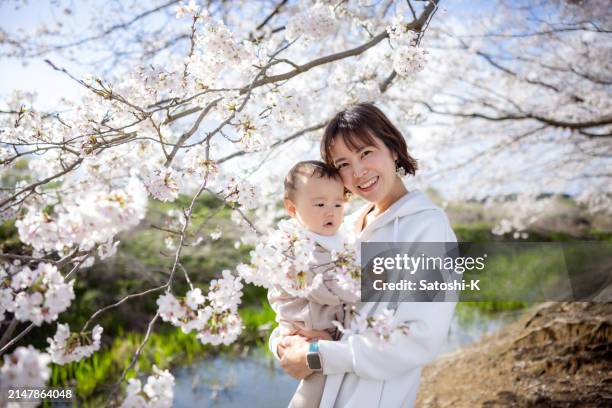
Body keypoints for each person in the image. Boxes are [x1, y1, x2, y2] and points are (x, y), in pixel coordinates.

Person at [269, 103, 457, 407]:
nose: (357, 172)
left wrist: (318, 356)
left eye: (366, 153)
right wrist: (283, 343)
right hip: (318, 395)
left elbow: (420, 339)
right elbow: (301, 302)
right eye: (342, 164)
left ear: (393, 149)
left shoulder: (428, 227)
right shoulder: (344, 226)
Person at [268, 160, 361, 408]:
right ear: (291, 208)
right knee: (313, 388)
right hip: (306, 330)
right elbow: (324, 289)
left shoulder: (339, 237)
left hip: (328, 332)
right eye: (320, 204)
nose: (330, 211)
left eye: (338, 203)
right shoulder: (295, 246)